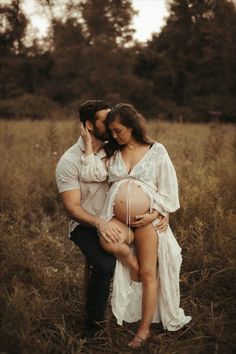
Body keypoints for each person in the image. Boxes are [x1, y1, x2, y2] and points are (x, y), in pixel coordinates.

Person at [79, 103, 191, 347]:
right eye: (112, 131)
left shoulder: (156, 150)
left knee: (149, 273)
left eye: (119, 130)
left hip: (145, 223)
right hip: (119, 220)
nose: (115, 135)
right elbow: (92, 173)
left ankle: (143, 331)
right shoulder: (113, 152)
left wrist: (157, 212)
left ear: (132, 126)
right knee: (106, 241)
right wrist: (88, 145)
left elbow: (169, 187)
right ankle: (131, 262)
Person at [55, 100, 120, 338]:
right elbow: (72, 208)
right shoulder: (69, 161)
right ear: (89, 126)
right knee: (105, 265)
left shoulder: (116, 148)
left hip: (118, 221)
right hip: (85, 225)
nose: (113, 123)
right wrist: (100, 223)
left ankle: (134, 316)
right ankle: (93, 328)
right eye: (106, 120)